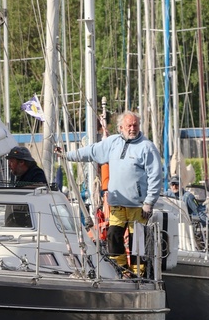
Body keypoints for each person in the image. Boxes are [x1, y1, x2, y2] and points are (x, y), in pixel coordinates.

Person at [56, 111, 162, 274]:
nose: (132, 128)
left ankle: (139, 273)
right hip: (117, 204)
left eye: (135, 125)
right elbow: (90, 152)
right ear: (121, 127)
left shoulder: (147, 147)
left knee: (137, 242)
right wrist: (66, 155)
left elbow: (155, 176)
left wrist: (149, 202)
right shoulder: (112, 142)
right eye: (129, 125)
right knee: (113, 236)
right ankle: (121, 270)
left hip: (138, 206)